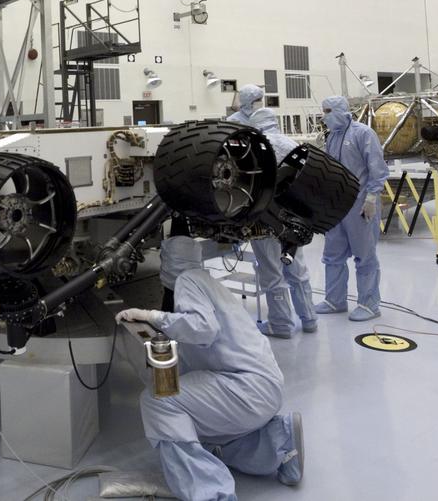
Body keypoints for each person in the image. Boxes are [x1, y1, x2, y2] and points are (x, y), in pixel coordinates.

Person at [118, 236, 303, 501]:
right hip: (262, 387)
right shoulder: (210, 284)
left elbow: (203, 329)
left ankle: (211, 493)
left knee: (158, 401)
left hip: (245, 388)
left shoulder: (187, 280)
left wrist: (150, 316)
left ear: (169, 262)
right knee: (206, 431)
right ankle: (281, 442)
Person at [227, 84, 317, 337]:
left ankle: (281, 325)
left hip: (265, 220)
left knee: (272, 273)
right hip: (293, 219)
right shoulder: (290, 143)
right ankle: (309, 319)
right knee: (297, 268)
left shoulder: (255, 149)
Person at [314, 95, 389, 322]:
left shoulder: (363, 133)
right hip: (337, 207)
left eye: (328, 111)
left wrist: (371, 198)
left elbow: (378, 169)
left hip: (360, 206)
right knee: (332, 255)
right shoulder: (332, 137)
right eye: (324, 112)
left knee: (364, 255)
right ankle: (335, 300)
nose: (324, 117)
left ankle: (369, 304)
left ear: (341, 111)